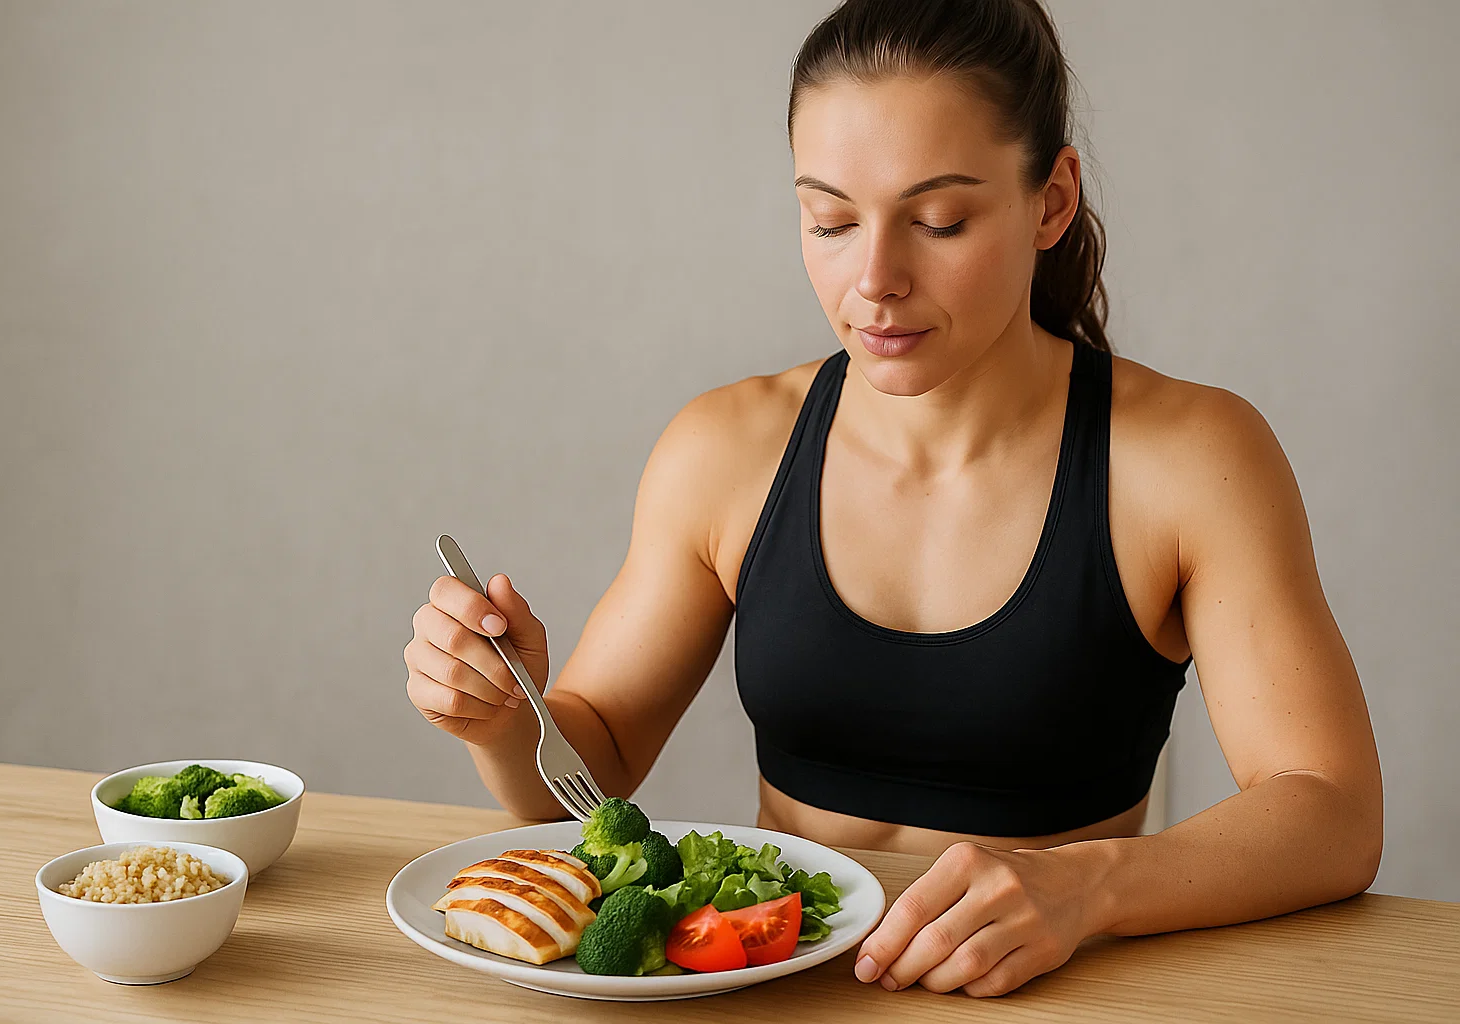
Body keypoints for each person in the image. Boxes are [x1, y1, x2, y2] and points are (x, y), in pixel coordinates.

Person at [404, 0, 1382, 998]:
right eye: (829, 218)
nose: (874, 279)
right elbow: (592, 770)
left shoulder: (1191, 458)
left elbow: (1331, 810)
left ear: (1051, 200)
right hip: (784, 996)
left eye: (939, 220)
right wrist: (505, 719)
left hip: (1049, 998)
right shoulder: (726, 450)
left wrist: (1087, 887)